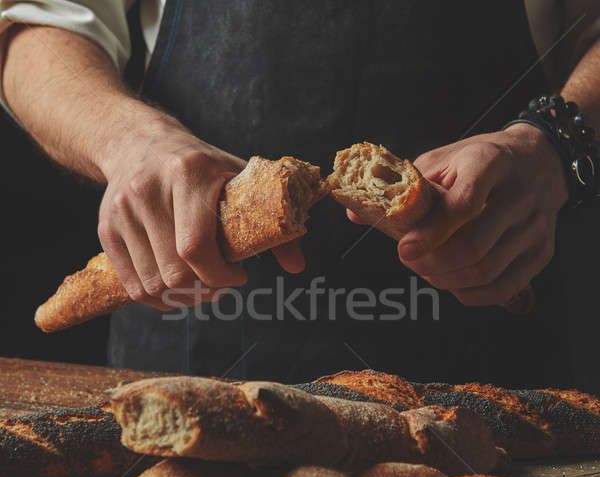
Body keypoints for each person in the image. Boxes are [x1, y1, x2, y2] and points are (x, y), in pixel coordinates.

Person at [1, 1, 599, 387]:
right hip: (196, 363)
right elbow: (38, 22)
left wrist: (552, 144)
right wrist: (132, 140)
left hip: (493, 366)